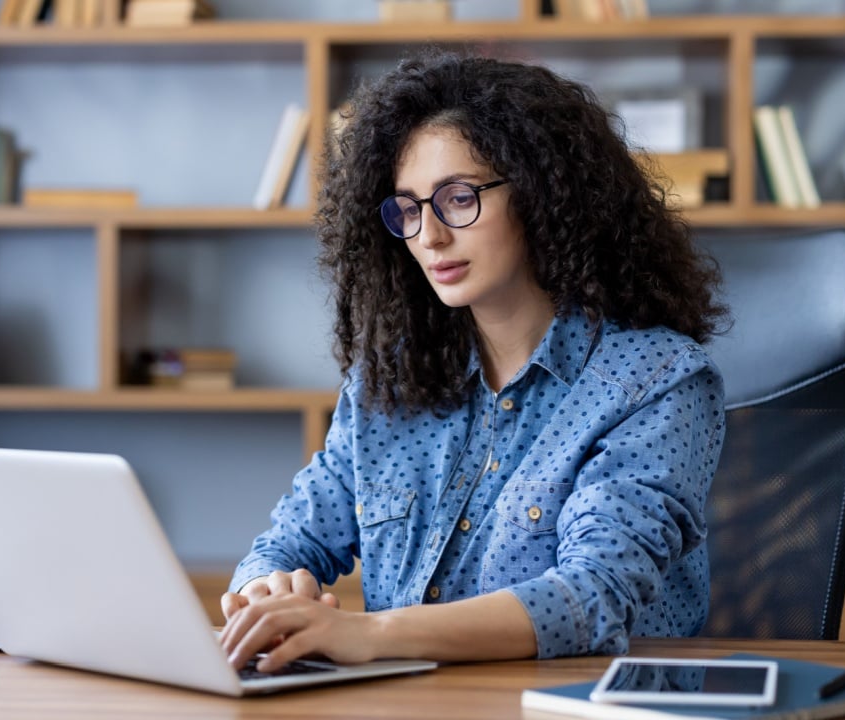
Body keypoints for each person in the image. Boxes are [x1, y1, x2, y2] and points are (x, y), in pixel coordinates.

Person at [220, 49, 728, 673]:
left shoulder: (656, 382)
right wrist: (266, 592)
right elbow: (289, 541)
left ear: (542, 195)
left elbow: (593, 597)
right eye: (408, 208)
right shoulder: (389, 382)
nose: (429, 237)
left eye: (458, 199)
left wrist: (367, 634)